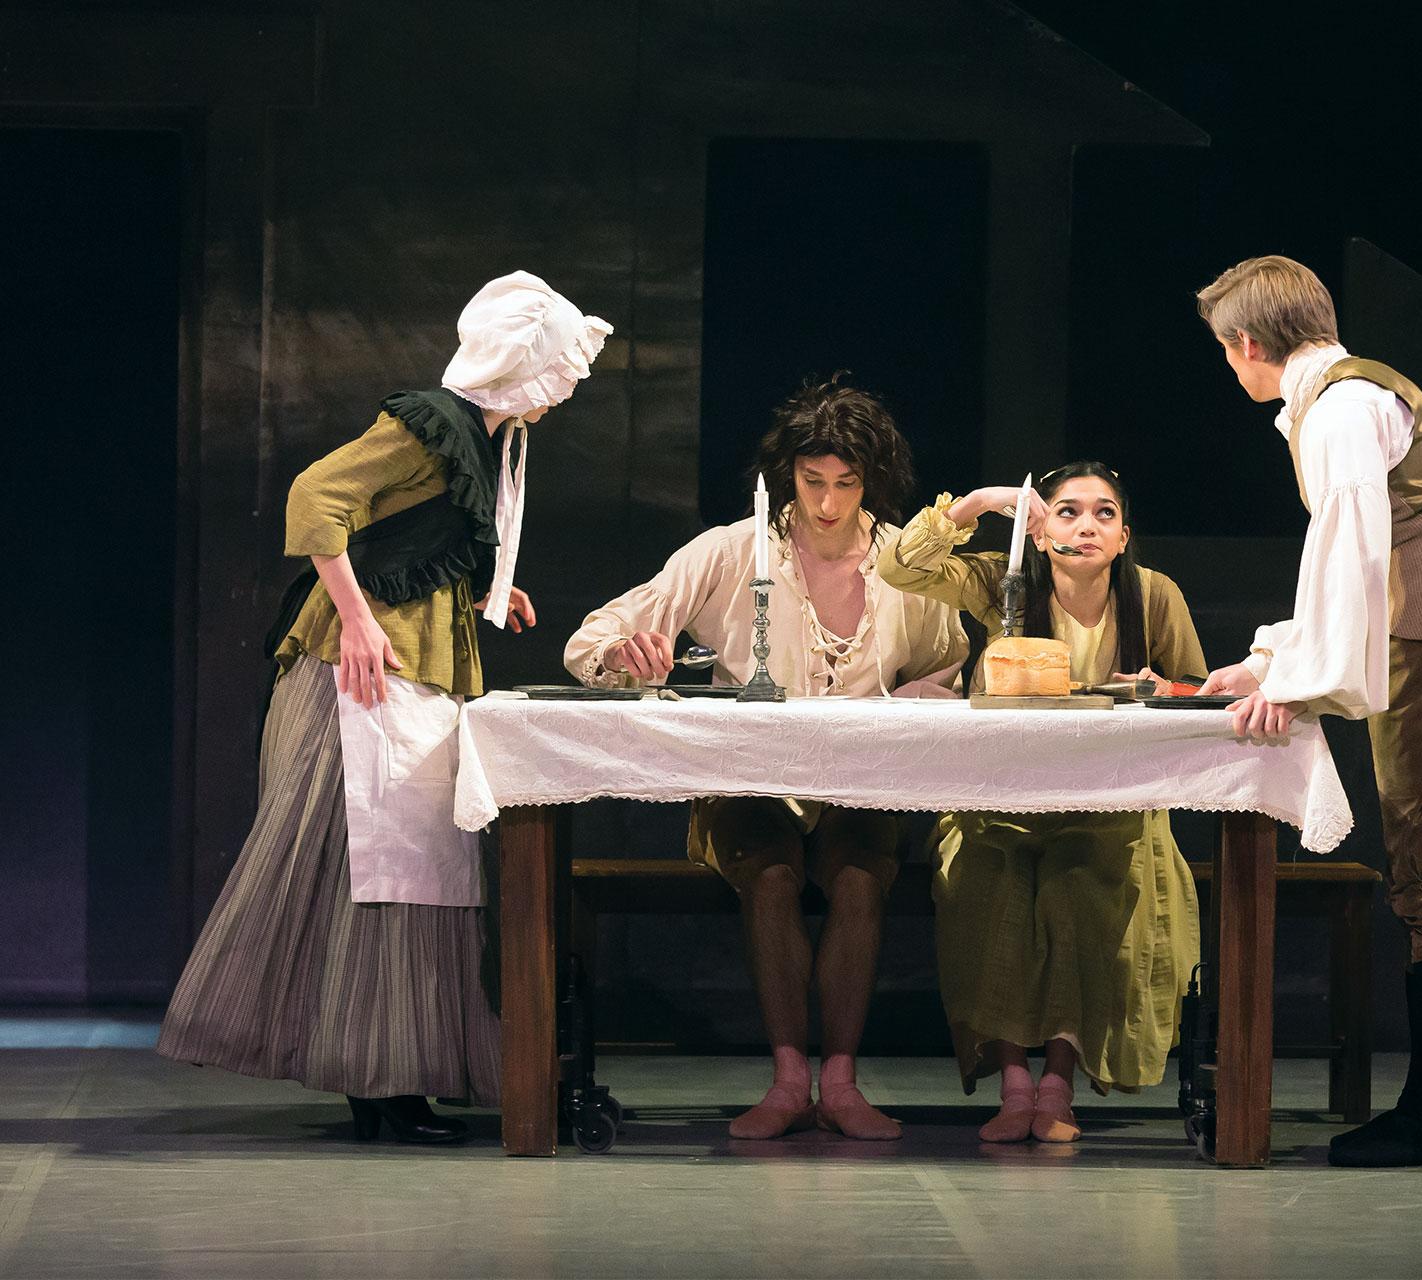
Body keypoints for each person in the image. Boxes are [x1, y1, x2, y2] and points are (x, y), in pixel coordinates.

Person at [159, 271, 611, 1144]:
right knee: (370, 876)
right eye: (555, 376)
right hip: (363, 672)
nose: (559, 396)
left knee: (414, 878)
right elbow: (315, 497)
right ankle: (377, 1079)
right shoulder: (427, 424)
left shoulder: (484, 438)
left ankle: (393, 1073)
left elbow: (418, 533)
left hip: (421, 661)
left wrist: (484, 590)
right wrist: (360, 621)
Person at [1193, 255, 1422, 1166]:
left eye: (1226, 351)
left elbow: (1354, 552)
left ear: (1250, 343)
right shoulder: (1346, 395)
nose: (1229, 369)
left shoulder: (1339, 409)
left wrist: (1297, 684)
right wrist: (1275, 657)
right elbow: (1351, 555)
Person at [564, 376, 966, 1141]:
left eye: (846, 484)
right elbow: (593, 640)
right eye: (813, 482)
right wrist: (625, 650)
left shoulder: (900, 565)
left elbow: (949, 659)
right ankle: (788, 1079)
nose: (826, 503)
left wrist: (923, 695)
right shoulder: (734, 550)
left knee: (855, 880)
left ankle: (840, 1082)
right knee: (774, 874)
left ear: (868, 483)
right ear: (789, 477)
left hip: (860, 780)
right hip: (748, 781)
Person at [878, 462, 1205, 1143]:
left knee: (1079, 892)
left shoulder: (1153, 596)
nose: (1086, 525)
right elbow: (899, 569)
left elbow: (1199, 693)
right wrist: (978, 503)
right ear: (1040, 527)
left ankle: (1057, 1082)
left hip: (1108, 804)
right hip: (999, 797)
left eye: (1104, 514)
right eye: (1067, 511)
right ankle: (1014, 1085)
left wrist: (1159, 687)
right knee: (984, 887)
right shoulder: (1005, 581)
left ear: (1122, 537)